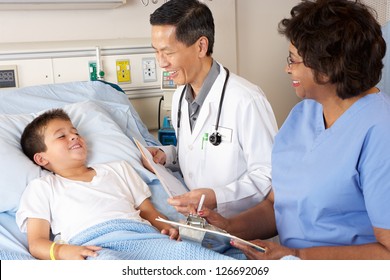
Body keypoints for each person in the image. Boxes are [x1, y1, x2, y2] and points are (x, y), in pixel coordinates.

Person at [197, 0, 390, 260]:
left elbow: (387, 252)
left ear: (328, 66)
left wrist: (298, 256)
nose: (287, 69)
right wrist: (228, 228)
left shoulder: (380, 131)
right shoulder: (302, 114)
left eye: (293, 60)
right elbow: (277, 206)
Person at [147, 0, 278, 218]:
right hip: (200, 222)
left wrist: (217, 196)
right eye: (156, 52)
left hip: (242, 225)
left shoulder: (246, 99)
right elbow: (196, 152)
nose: (161, 63)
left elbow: (268, 175)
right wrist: (166, 155)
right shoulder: (181, 95)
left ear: (201, 46)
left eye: (168, 52)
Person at [15, 109, 179, 260]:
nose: (74, 137)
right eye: (61, 136)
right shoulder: (42, 187)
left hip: (145, 238)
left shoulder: (119, 169)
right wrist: (63, 251)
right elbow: (37, 243)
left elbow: (149, 212)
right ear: (42, 159)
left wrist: (167, 228)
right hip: (93, 247)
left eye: (75, 132)